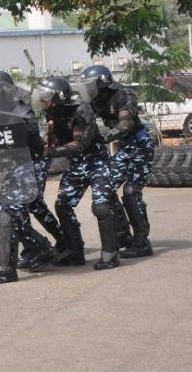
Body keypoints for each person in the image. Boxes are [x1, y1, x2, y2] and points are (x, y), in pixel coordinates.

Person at [38, 77, 121, 271]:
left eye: (46, 97)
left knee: (101, 206)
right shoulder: (51, 113)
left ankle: (110, 254)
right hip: (77, 164)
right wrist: (42, 142)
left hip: (96, 162)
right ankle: (75, 251)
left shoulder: (81, 110)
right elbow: (56, 137)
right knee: (63, 205)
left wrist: (50, 152)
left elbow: (79, 144)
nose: (42, 101)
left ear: (59, 97)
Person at [0, 71, 62, 270]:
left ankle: (49, 246)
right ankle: (39, 248)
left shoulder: (22, 113)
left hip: (30, 166)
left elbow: (28, 144)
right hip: (15, 168)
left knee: (18, 212)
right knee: (14, 214)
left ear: (4, 93)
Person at [81, 65, 155, 258]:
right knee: (106, 188)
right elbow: (84, 118)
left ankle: (142, 242)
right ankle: (124, 236)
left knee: (131, 192)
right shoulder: (96, 100)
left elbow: (126, 123)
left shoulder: (123, 94)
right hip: (124, 148)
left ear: (102, 83)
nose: (87, 89)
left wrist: (108, 136)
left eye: (90, 85)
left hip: (140, 146)